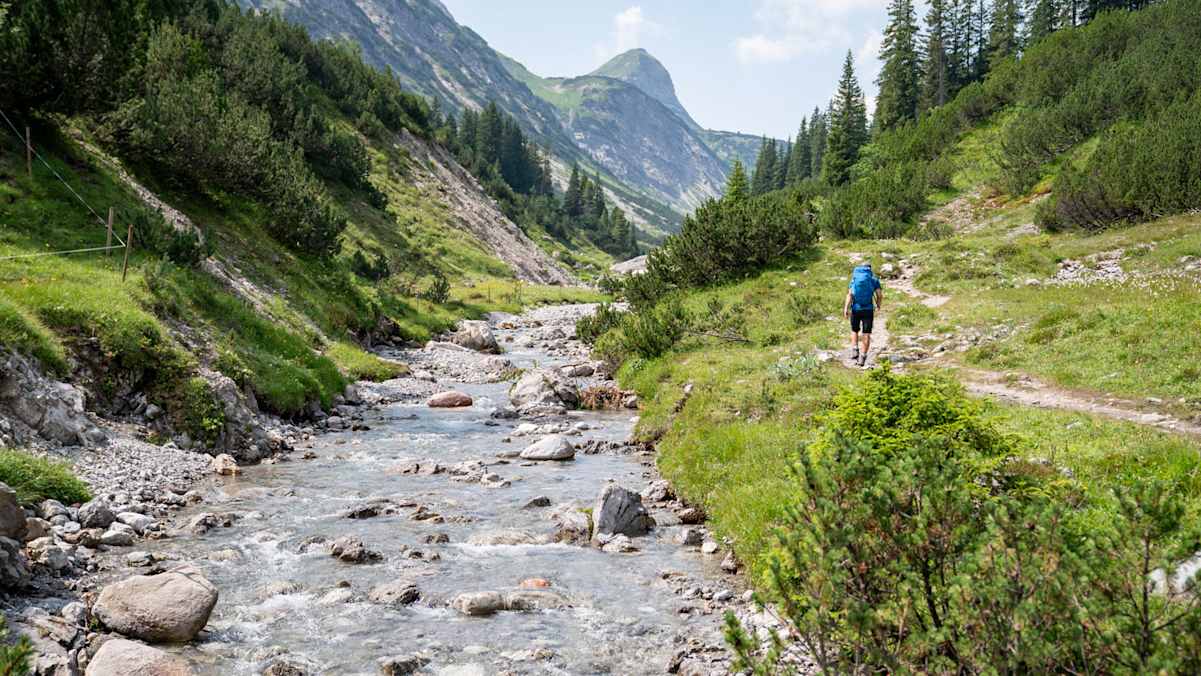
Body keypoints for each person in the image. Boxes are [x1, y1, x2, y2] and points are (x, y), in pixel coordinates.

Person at [843, 262, 883, 368]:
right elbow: (879, 295)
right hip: (868, 310)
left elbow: (850, 294)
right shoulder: (873, 280)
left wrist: (846, 308)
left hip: (856, 309)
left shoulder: (855, 279)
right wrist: (878, 305)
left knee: (854, 330)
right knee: (866, 333)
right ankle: (863, 357)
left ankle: (855, 349)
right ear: (870, 269)